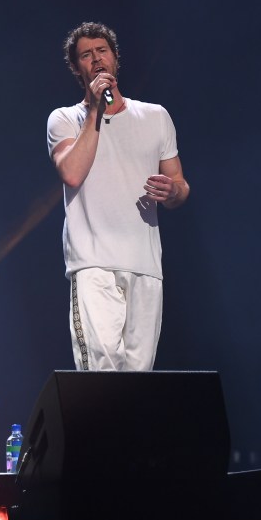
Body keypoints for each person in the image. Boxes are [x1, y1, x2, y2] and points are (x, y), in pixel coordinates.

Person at [47, 22, 189, 371]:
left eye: (102, 51)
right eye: (86, 55)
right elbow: (72, 172)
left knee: (137, 380)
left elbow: (179, 186)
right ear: (77, 67)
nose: (96, 59)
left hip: (145, 264)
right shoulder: (65, 119)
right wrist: (95, 110)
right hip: (93, 263)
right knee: (101, 373)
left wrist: (173, 192)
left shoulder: (155, 116)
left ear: (114, 59)